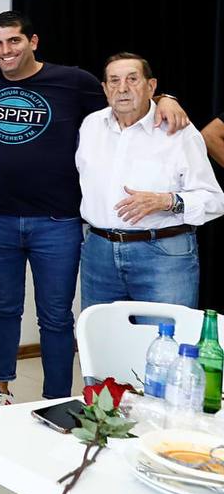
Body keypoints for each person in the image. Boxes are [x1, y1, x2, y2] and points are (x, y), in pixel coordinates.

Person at [0, 11, 188, 406]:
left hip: (58, 220)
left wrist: (166, 97)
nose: (6, 51)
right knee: (3, 308)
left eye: (14, 41)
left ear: (33, 42)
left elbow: (126, 96)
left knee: (56, 316)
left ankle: (55, 397)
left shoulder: (72, 81)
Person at [76, 53, 224, 308]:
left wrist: (167, 201)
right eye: (114, 81)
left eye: (132, 79)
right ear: (104, 88)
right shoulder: (91, 126)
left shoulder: (178, 131)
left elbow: (214, 200)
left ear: (151, 86)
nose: (122, 88)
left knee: (167, 341)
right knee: (103, 342)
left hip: (163, 255)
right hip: (99, 254)